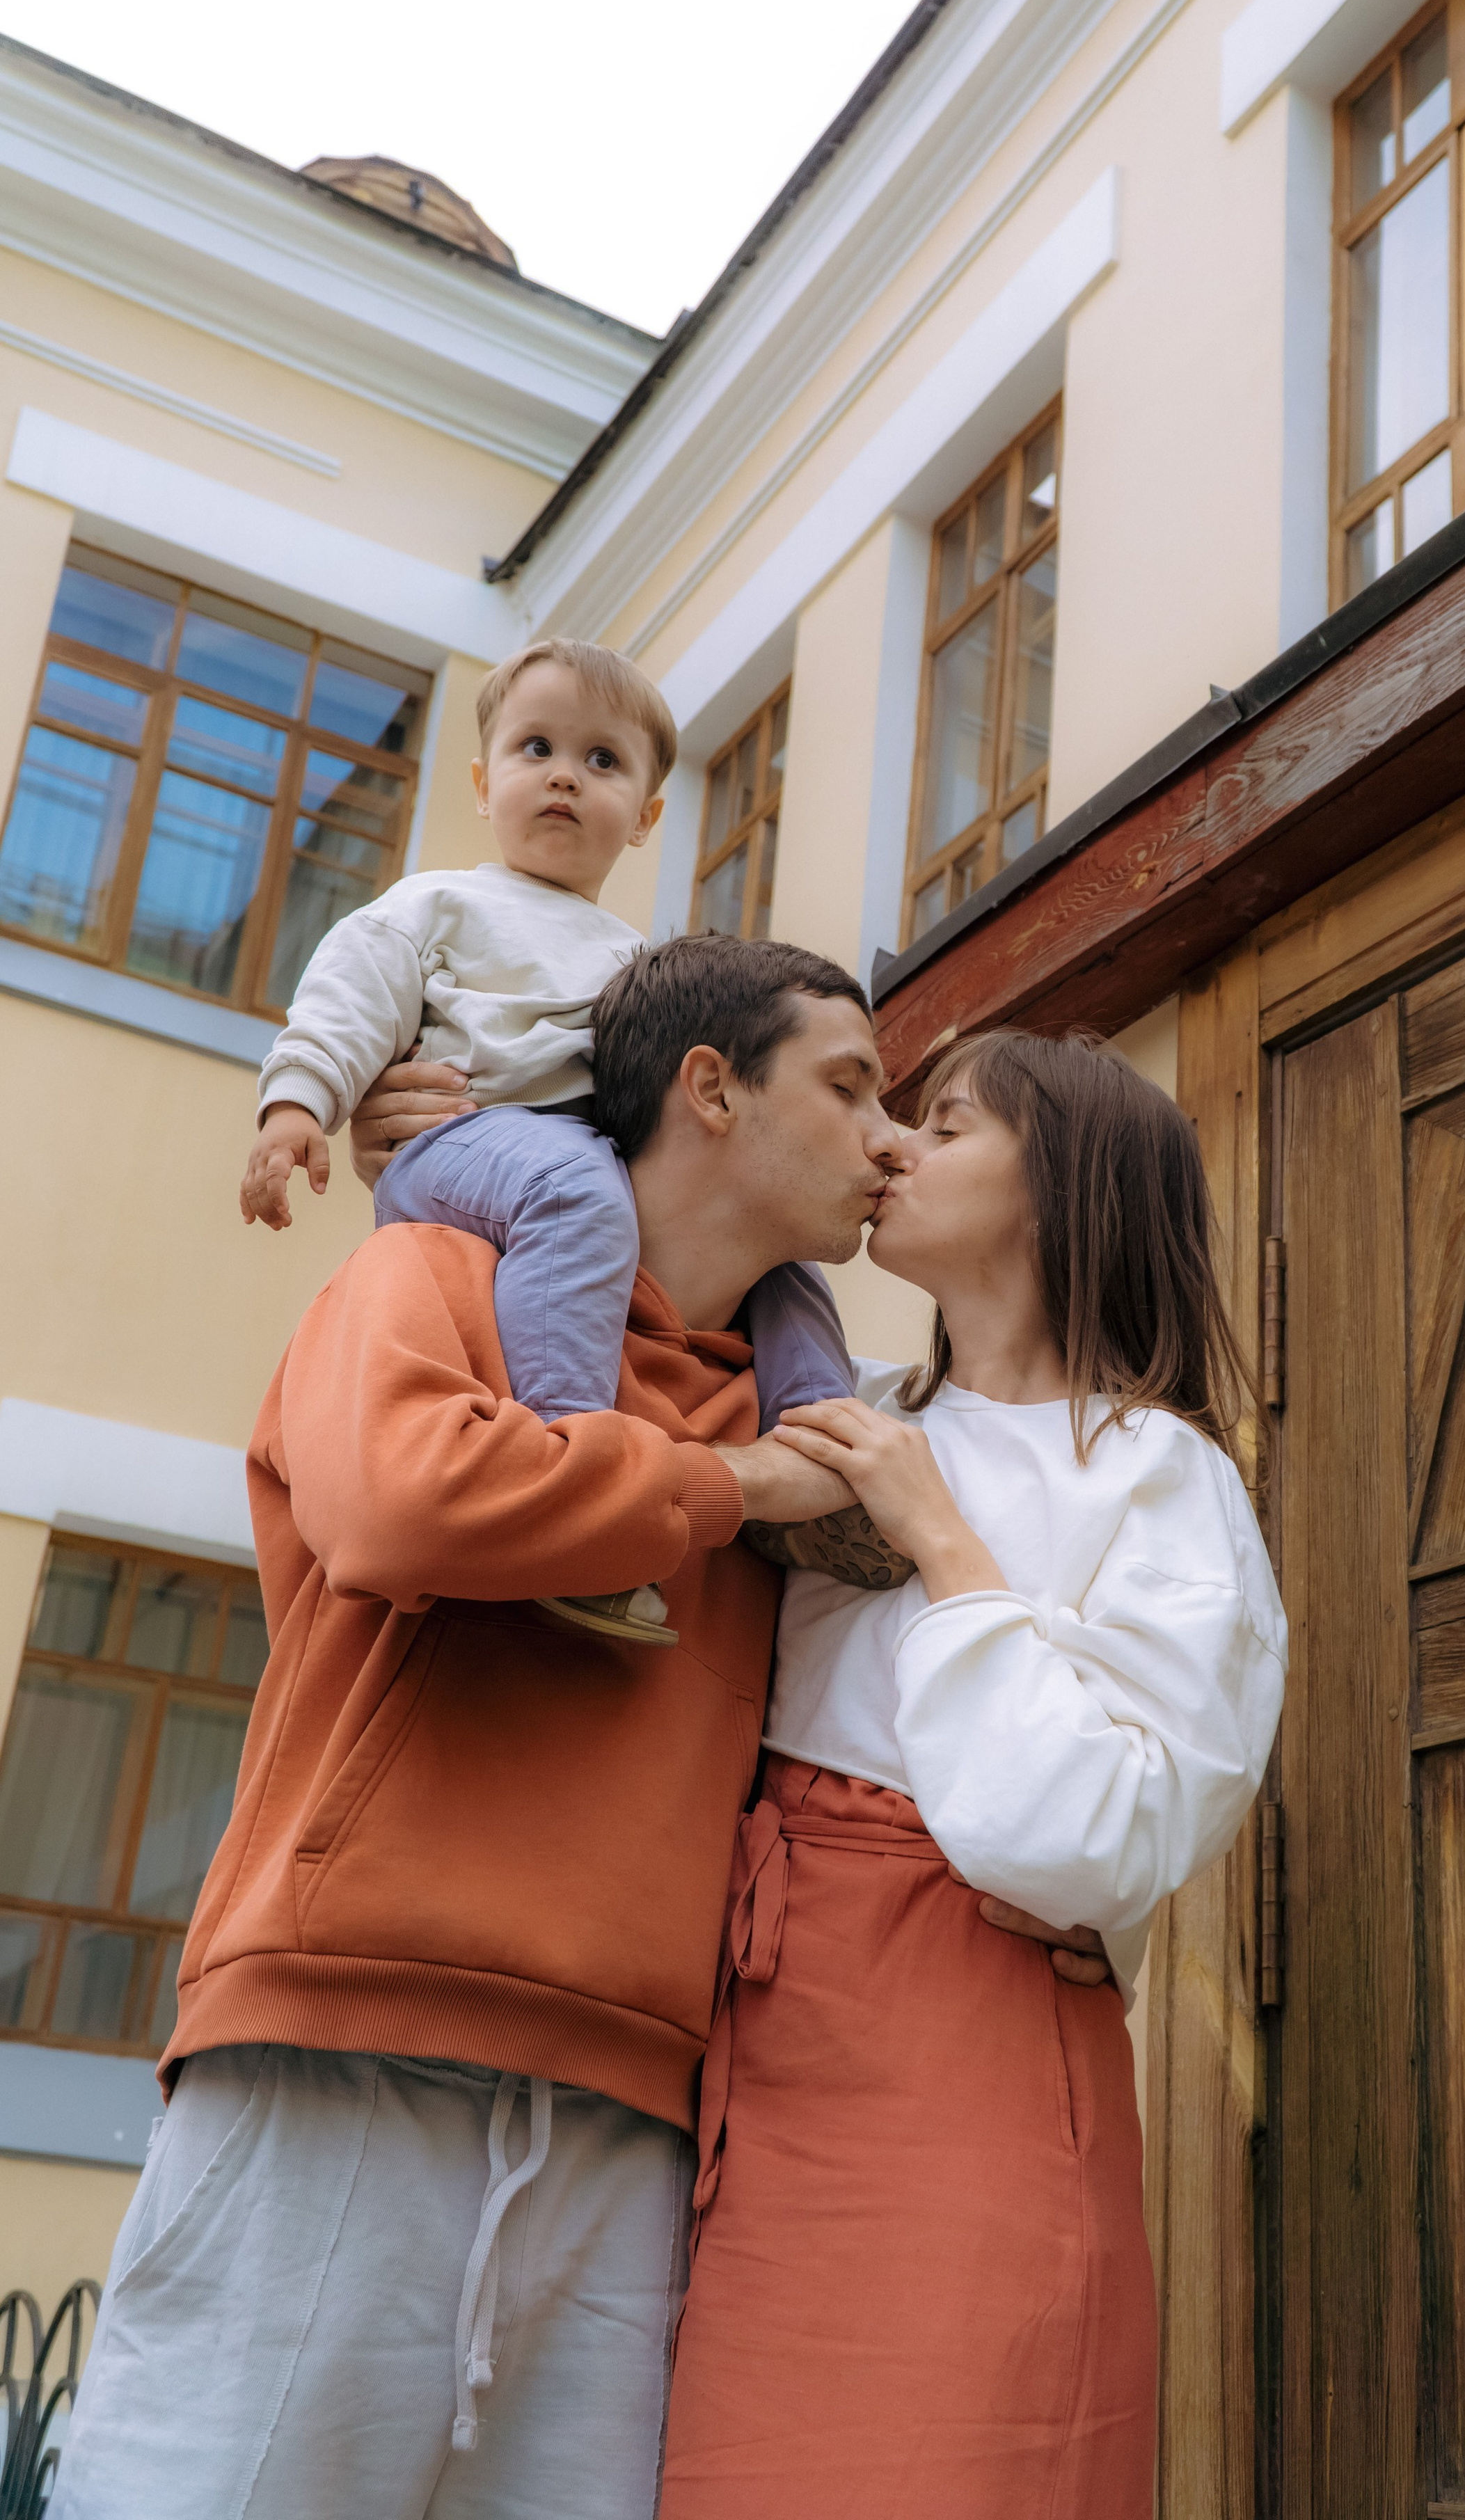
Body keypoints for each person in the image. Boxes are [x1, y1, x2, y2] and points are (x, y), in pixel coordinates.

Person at [51, 935, 912, 2520]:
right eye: (851, 1086)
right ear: (711, 1090)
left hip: (636, 2123)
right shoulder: (432, 1276)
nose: (888, 1138)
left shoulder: (815, 1428)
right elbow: (404, 1505)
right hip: (336, 2047)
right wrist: (726, 1490)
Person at [658, 1030, 1289, 2520]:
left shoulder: (1159, 1475)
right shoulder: (843, 1411)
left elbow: (1101, 1835)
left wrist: (941, 1542)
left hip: (969, 2045)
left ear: (1061, 1183)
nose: (893, 1146)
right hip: (743, 2029)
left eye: (943, 1125)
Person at [238, 636, 856, 1639]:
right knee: (574, 1188)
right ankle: (574, 1464)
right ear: (485, 784)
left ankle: (827, 1451)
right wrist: (299, 1108)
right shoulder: (439, 904)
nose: (565, 774)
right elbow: (346, 1006)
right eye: (537, 748)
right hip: (464, 1142)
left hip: (583, 1167)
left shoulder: (641, 962)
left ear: (647, 815)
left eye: (602, 759)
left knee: (780, 1253)